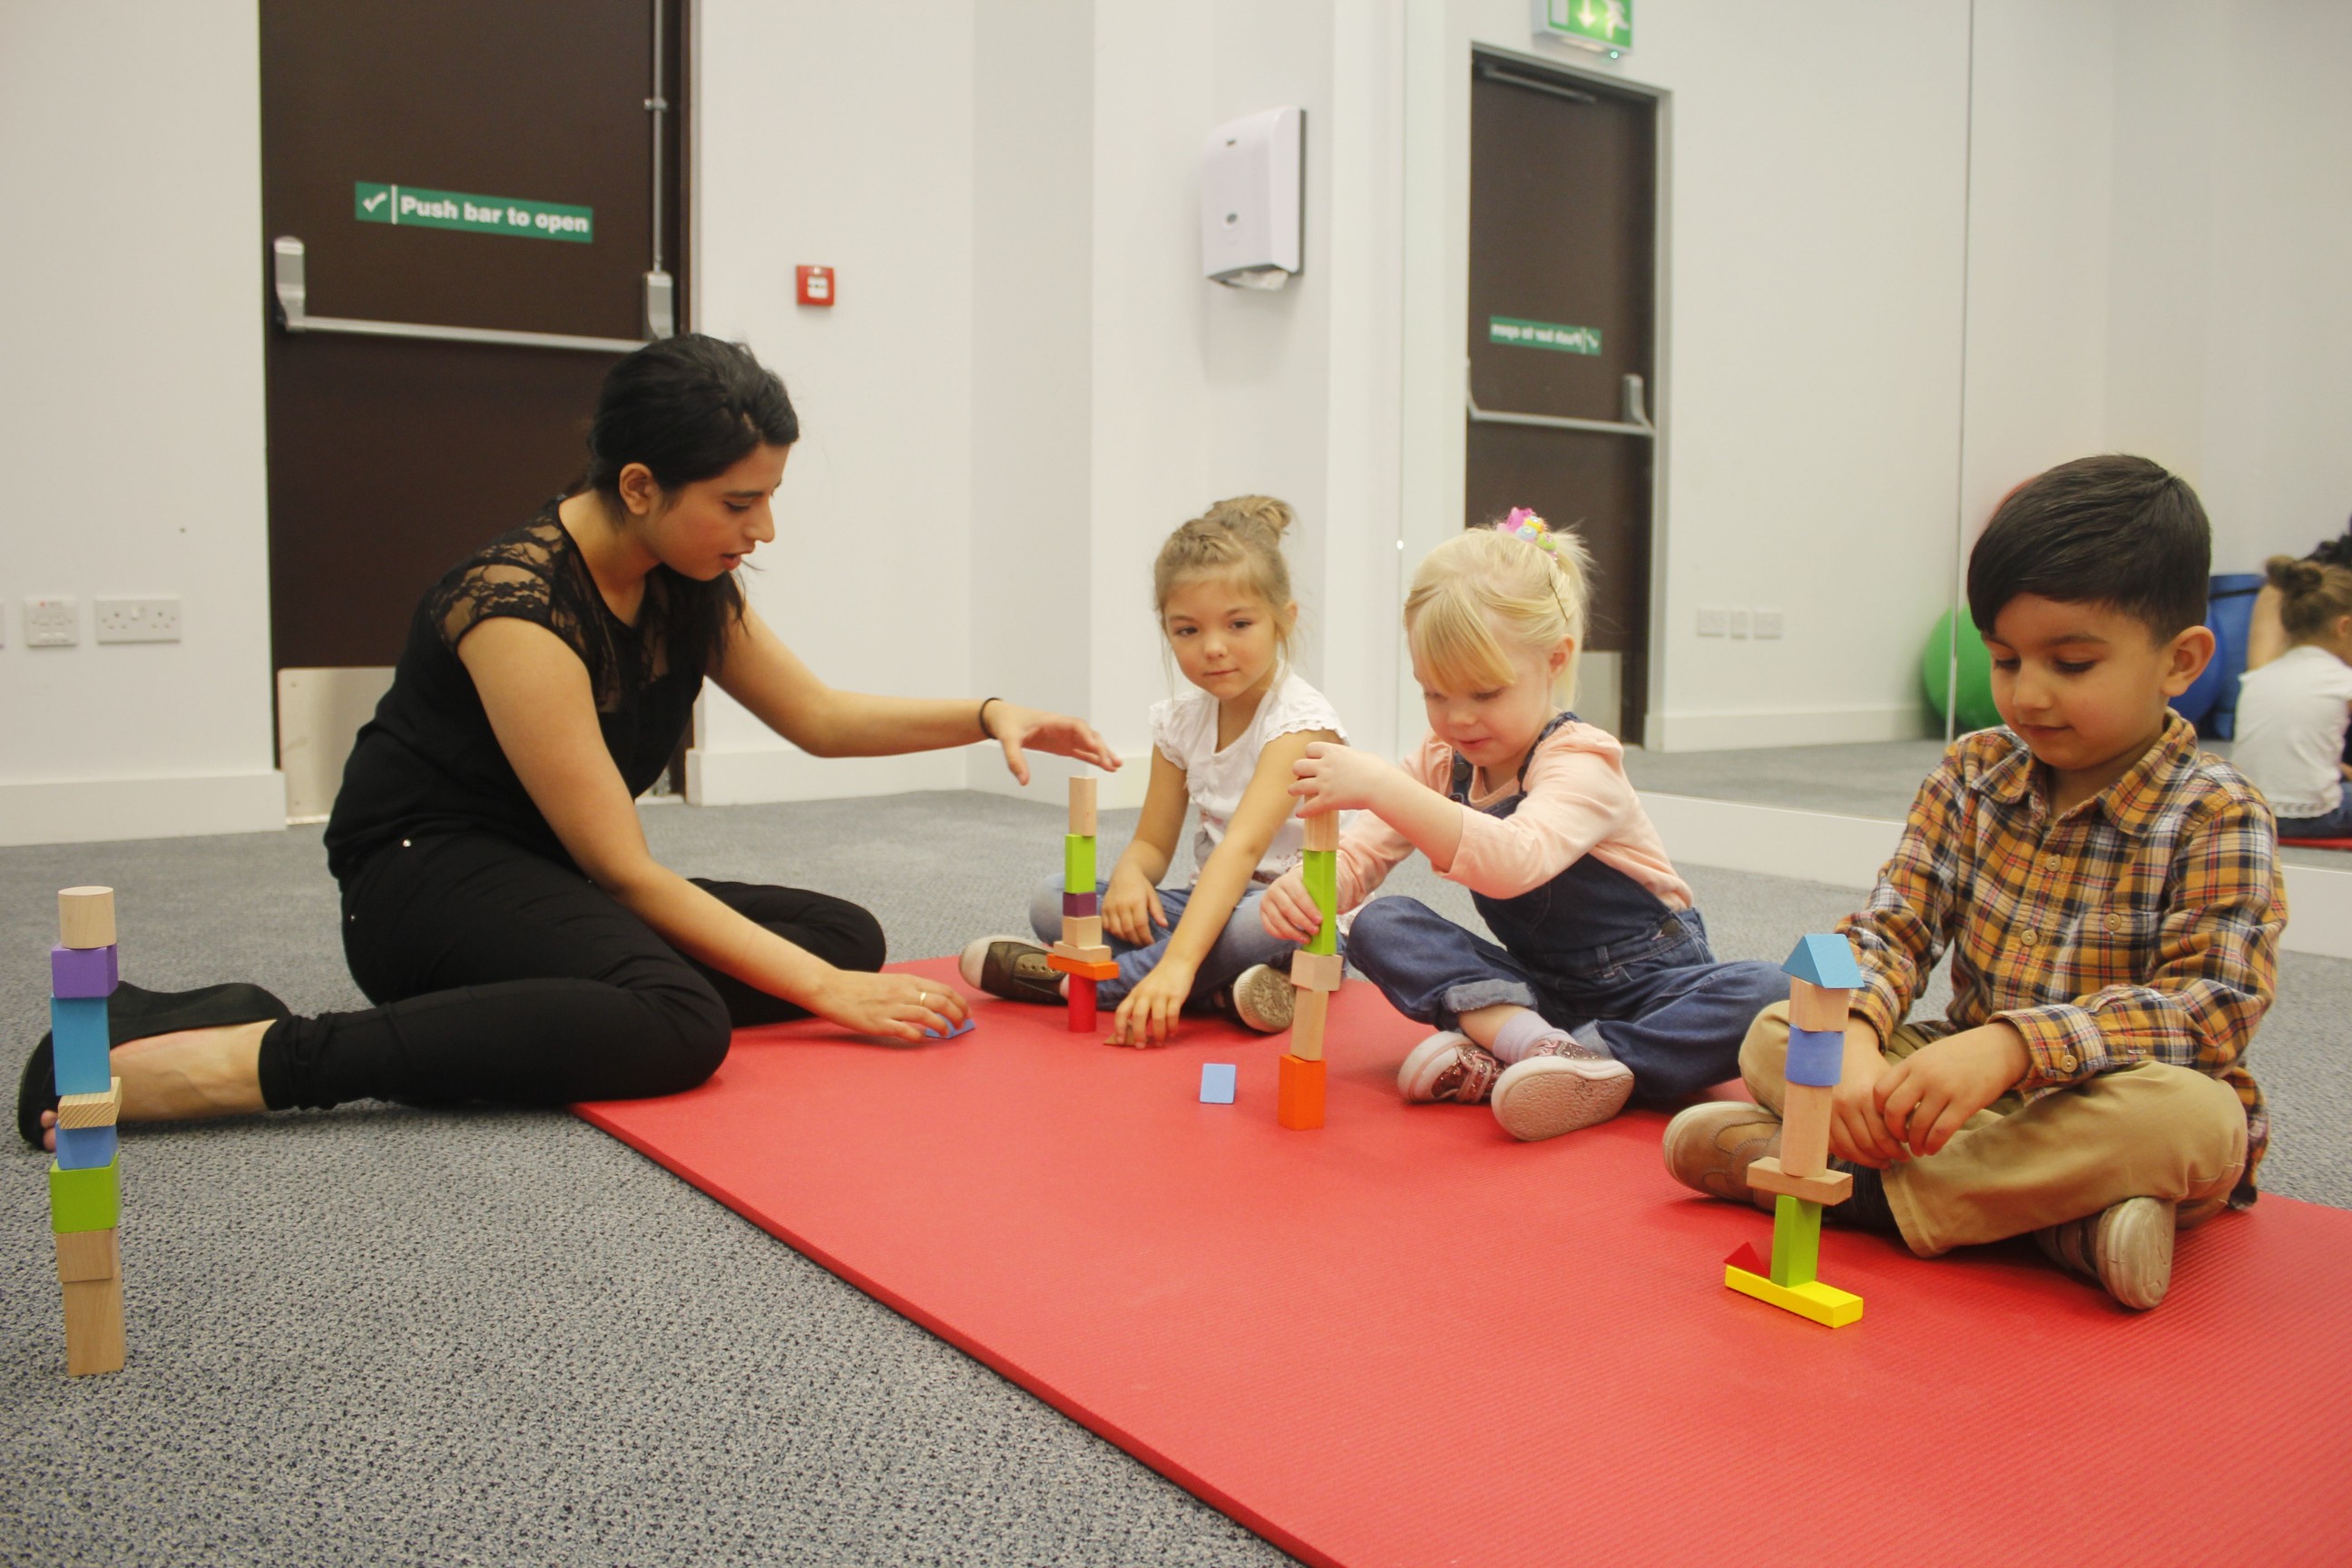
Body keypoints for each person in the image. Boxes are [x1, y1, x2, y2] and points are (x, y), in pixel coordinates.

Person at [21, 334, 1116, 1151]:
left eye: (770, 499)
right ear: (640, 486)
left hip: (536, 874)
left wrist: (987, 715)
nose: (762, 531)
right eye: (740, 503)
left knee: (845, 935)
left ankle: (496, 1013)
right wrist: (829, 1001)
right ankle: (242, 1060)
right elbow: (621, 869)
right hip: (421, 885)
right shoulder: (515, 607)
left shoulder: (687, 580)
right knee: (677, 1026)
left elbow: (819, 721)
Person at [1662, 455, 2280, 1310]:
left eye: (2070, 664)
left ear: (2181, 661)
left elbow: (2213, 1005)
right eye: (2004, 659)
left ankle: (1850, 1185)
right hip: (1947, 1088)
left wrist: (2016, 1047)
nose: (2027, 695)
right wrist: (1859, 1041)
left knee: (2197, 1123)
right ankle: (2063, 1225)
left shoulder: (2219, 811)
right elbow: (1892, 927)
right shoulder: (1974, 771)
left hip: (2107, 1097)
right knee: (1780, 1024)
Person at [1262, 512, 1786, 1142]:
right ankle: (1539, 1047)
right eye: (1434, 693)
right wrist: (1309, 885)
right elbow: (1361, 856)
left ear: (1554, 660)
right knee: (1382, 922)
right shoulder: (1441, 757)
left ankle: (1550, 1055)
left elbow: (1512, 862)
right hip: (1537, 989)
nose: (1456, 718)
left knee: (1767, 990)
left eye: (1484, 693)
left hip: (1652, 991)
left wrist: (1380, 785)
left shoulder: (1582, 760)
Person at [961, 497, 1345, 1046]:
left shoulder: (1302, 724)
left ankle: (1090, 982)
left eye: (1239, 624)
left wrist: (1175, 966)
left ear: (1284, 619)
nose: (1213, 648)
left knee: (1266, 919)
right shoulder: (1180, 721)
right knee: (1052, 898)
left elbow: (1240, 849)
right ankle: (1224, 991)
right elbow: (1151, 842)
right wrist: (1131, 877)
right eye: (1187, 631)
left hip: (1294, 919)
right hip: (1207, 901)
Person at [2230, 555, 2352, 838]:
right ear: (2344, 627)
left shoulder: (2259, 676)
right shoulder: (2341, 679)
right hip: (2310, 817)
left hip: (2248, 808)